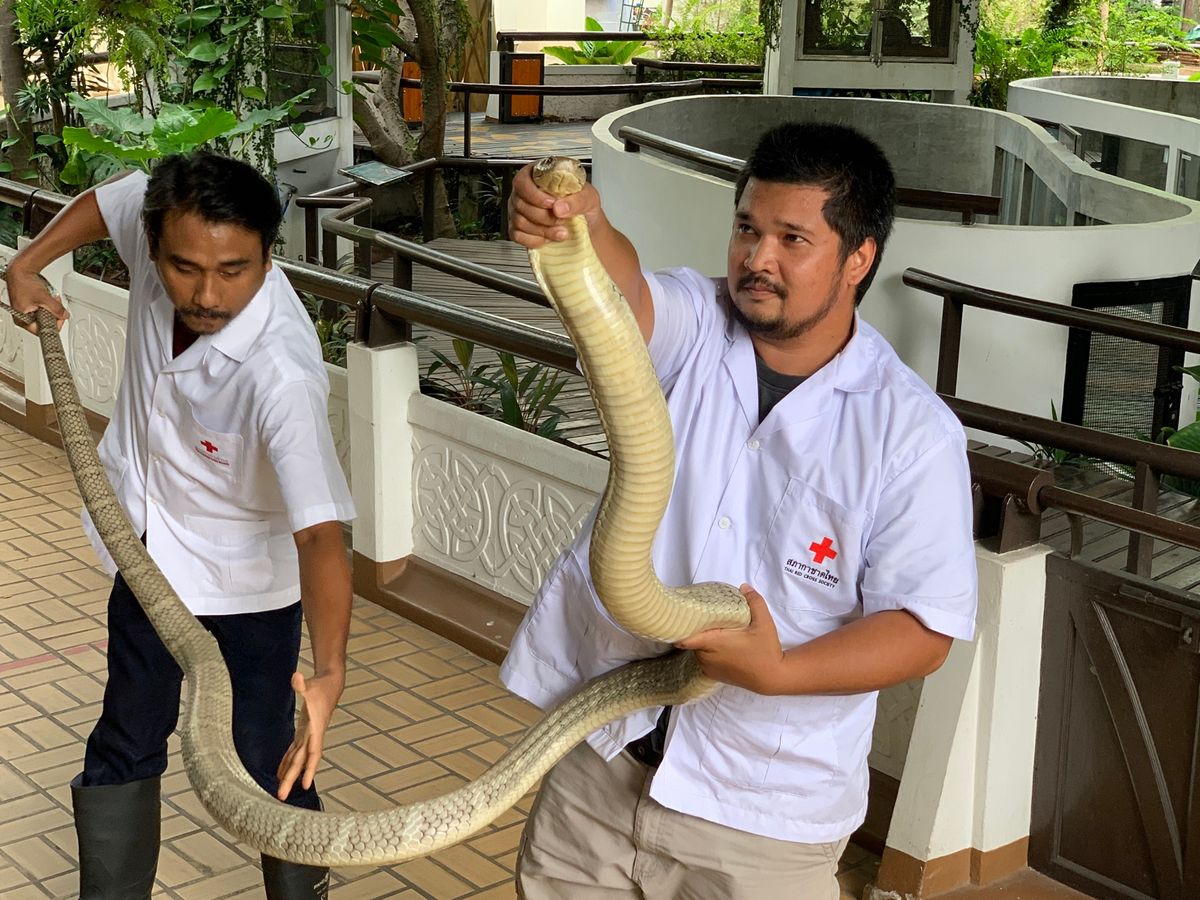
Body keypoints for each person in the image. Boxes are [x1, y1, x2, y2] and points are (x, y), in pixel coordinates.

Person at [500, 123, 978, 899]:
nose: (757, 259)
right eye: (748, 228)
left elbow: (923, 631)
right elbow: (626, 296)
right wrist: (582, 222)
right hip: (598, 765)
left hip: (761, 822)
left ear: (859, 258)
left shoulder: (910, 433)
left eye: (794, 238)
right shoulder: (697, 321)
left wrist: (780, 670)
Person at [6, 151, 355, 900]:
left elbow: (321, 535)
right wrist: (28, 263)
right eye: (184, 267)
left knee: (267, 762)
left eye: (234, 270)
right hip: (146, 555)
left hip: (246, 588)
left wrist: (329, 674)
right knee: (126, 739)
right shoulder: (156, 216)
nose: (207, 293)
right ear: (155, 243)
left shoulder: (279, 372)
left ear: (268, 251)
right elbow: (112, 198)